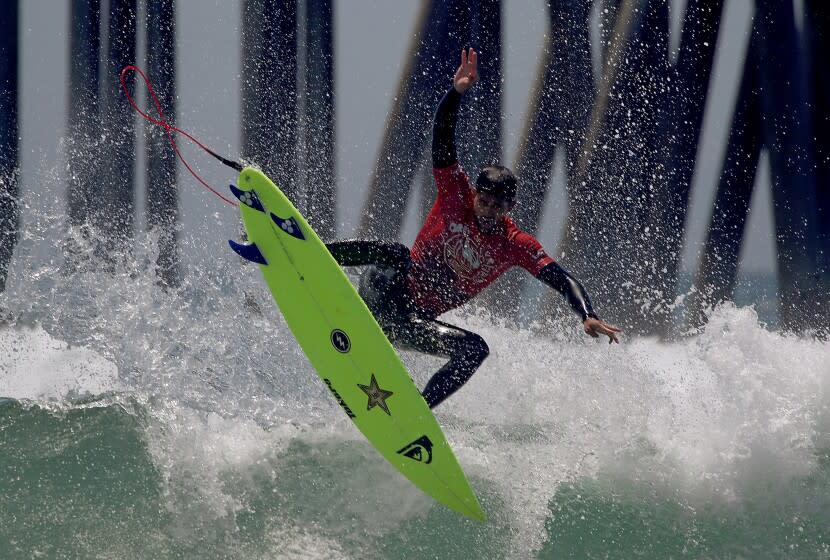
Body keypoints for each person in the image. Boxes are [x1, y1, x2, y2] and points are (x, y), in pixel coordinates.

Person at [327, 48, 620, 409]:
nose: (488, 210)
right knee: (399, 254)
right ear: (475, 195)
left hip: (410, 322)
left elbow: (563, 280)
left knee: (475, 349)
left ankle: (416, 411)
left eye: (498, 206)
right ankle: (315, 255)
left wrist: (586, 314)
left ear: (510, 208)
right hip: (383, 289)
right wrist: (456, 93)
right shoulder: (454, 194)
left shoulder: (516, 245)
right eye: (484, 201)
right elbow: (442, 137)